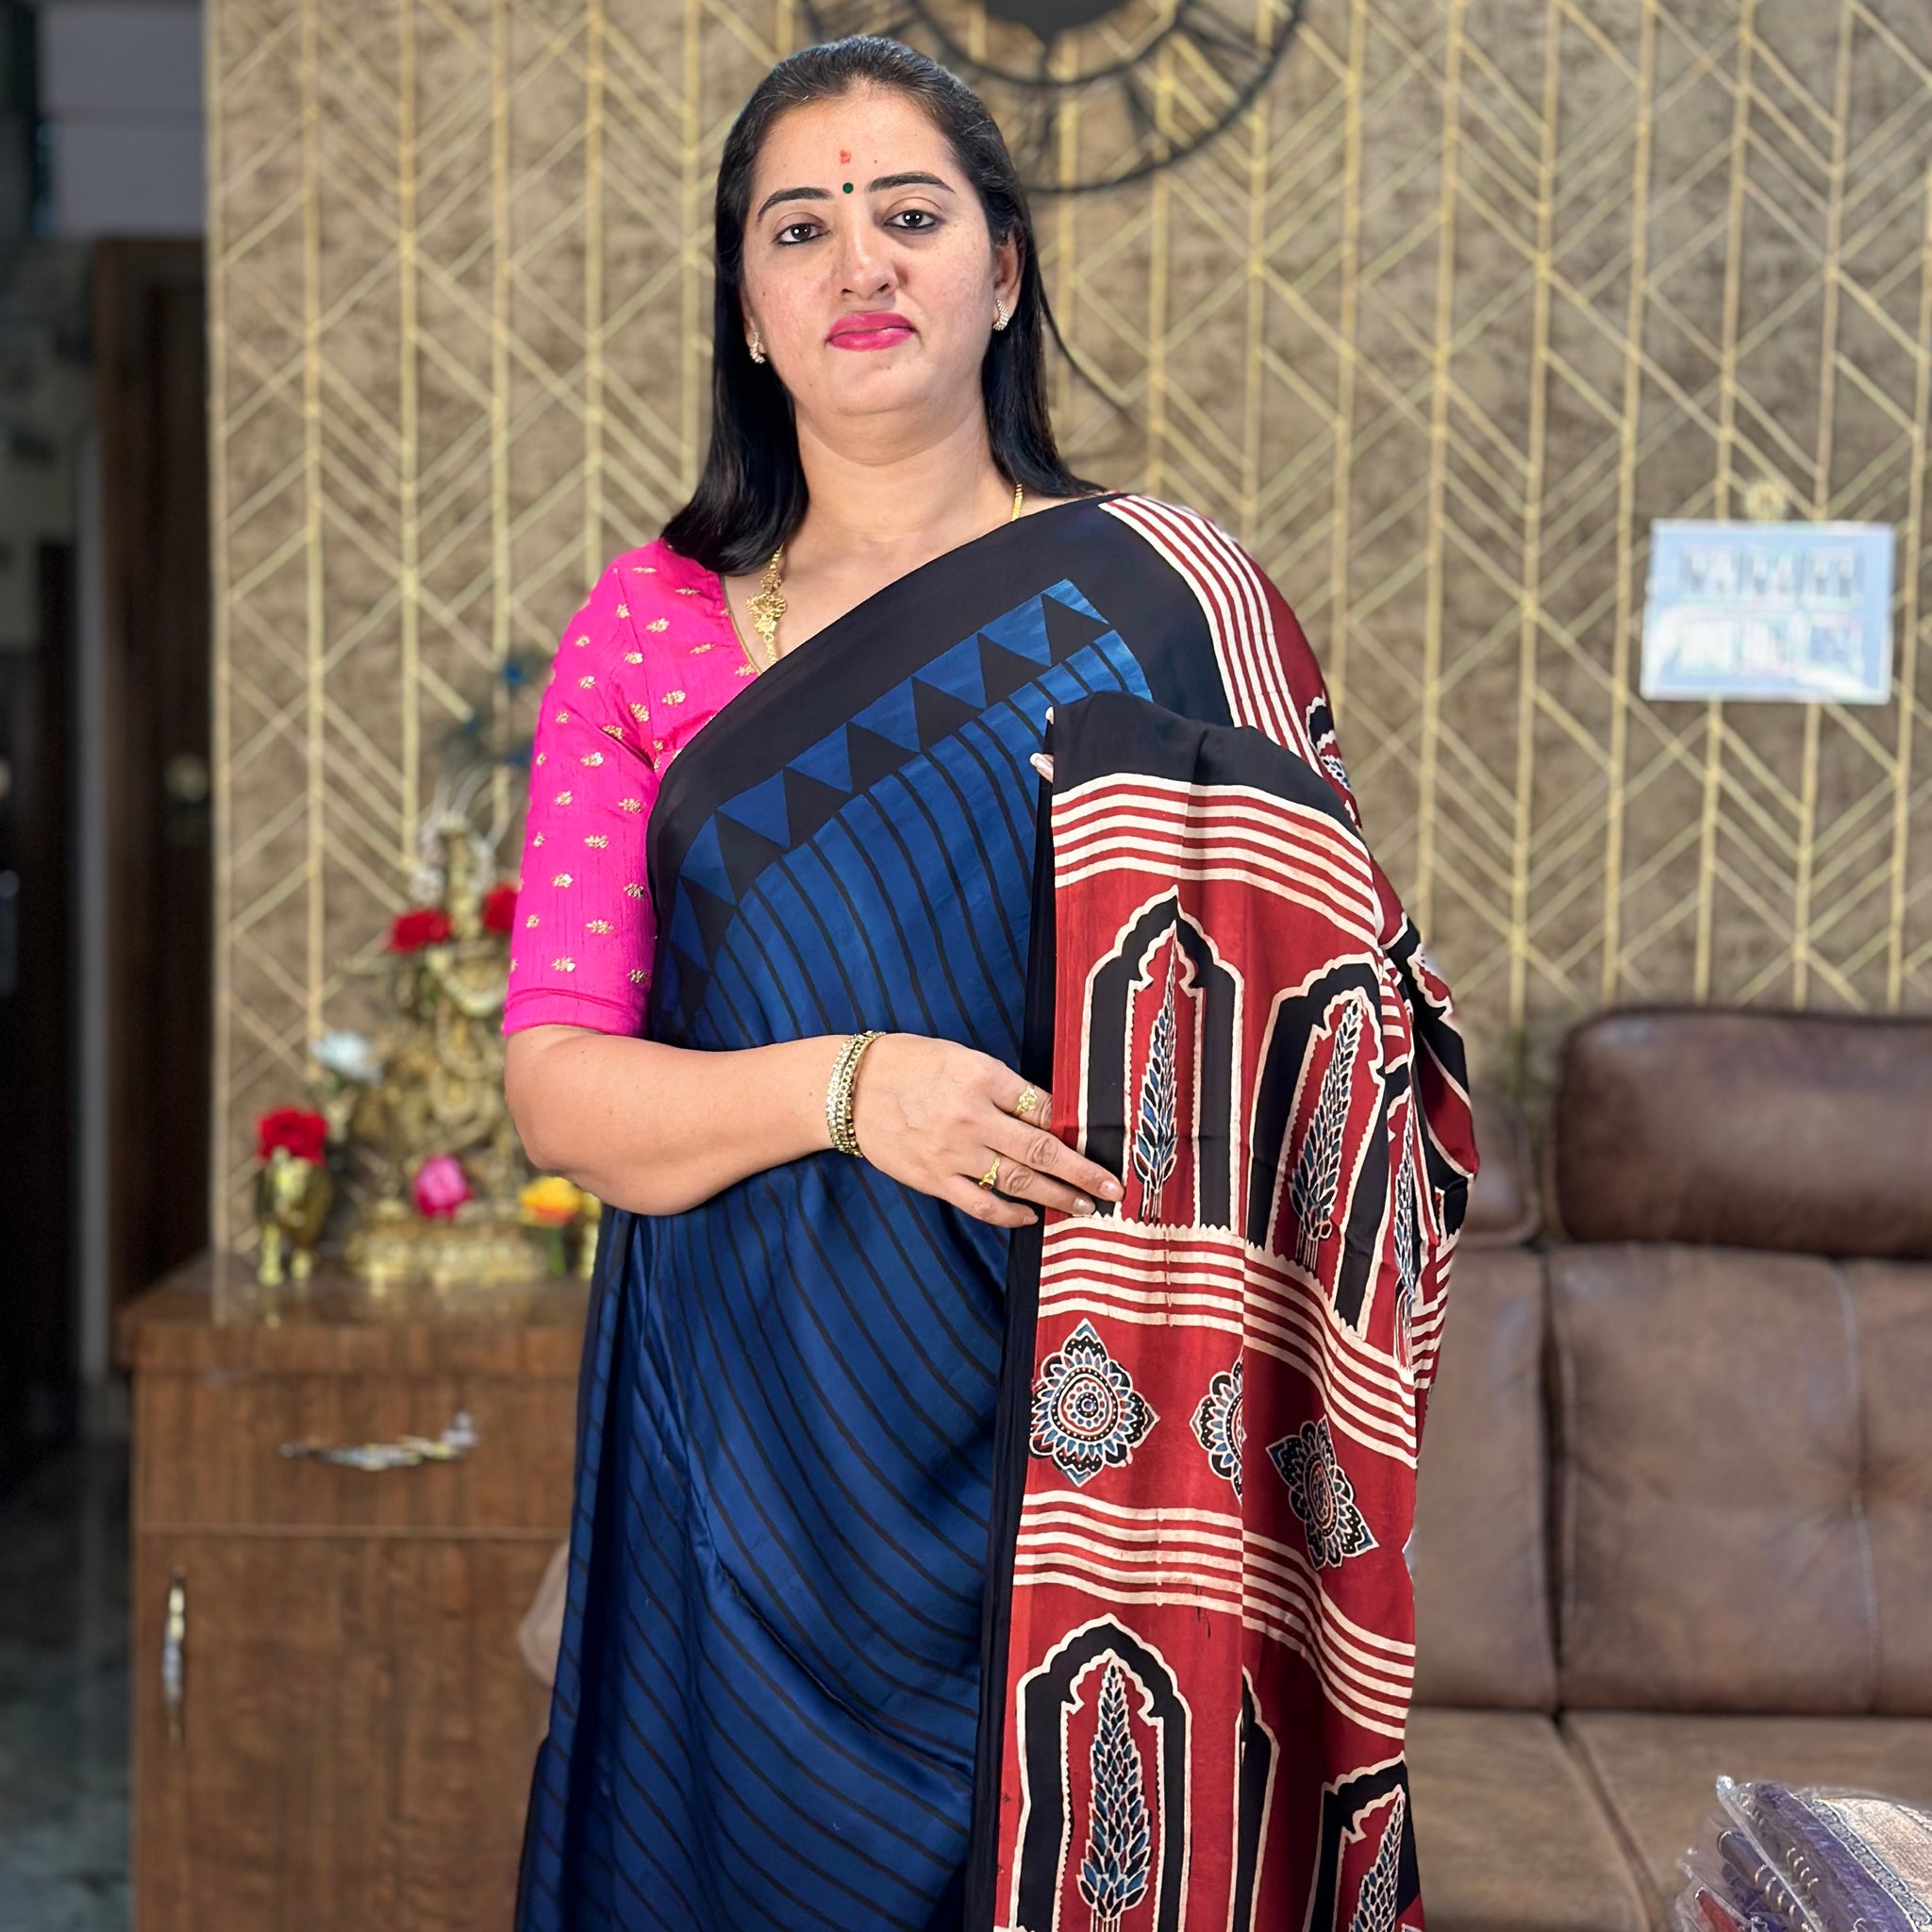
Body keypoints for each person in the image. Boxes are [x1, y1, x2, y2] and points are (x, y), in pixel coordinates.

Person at [505, 36, 1474, 1932]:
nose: (858, 262)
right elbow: (560, 1090)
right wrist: (859, 1087)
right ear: (749, 307)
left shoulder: (1164, 599)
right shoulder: (654, 624)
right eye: (802, 227)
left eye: (909, 213)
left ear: (1002, 270)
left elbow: (1362, 1043)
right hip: (760, 1470)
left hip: (1100, 1449)